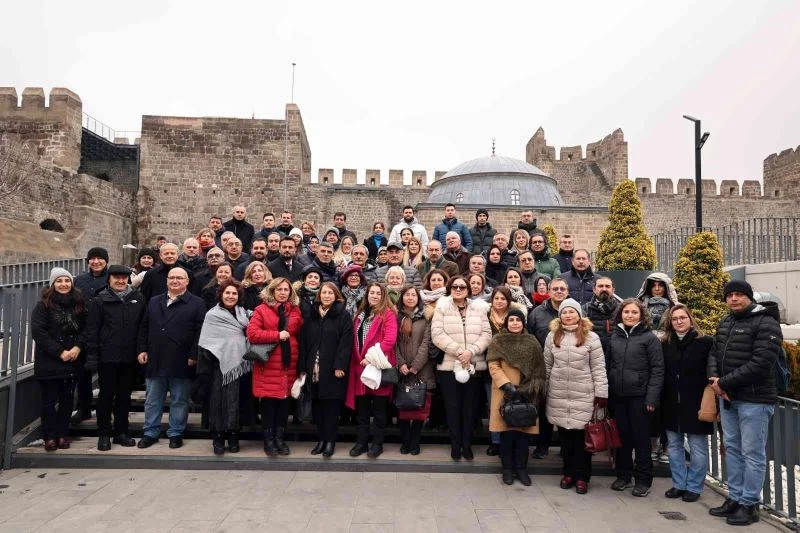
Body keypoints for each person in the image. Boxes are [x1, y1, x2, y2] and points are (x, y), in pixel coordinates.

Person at [707, 280, 782, 526]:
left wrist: (724, 384)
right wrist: (716, 380)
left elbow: (762, 363)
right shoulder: (726, 322)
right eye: (729, 295)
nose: (734, 299)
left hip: (755, 400)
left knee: (752, 453)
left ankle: (750, 504)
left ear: (749, 297)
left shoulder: (766, 322)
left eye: (739, 295)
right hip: (728, 398)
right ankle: (735, 498)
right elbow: (714, 355)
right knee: (734, 450)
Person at [137, 267, 206, 450]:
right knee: (153, 399)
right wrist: (142, 349)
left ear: (187, 281)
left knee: (179, 399)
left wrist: (194, 354)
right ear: (167, 280)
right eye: (172, 278)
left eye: (179, 278)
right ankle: (150, 432)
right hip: (156, 357)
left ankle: (176, 432)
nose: (175, 281)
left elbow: (200, 332)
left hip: (182, 359)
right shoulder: (154, 301)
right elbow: (144, 326)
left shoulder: (197, 303)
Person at [543, 299, 608, 494]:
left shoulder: (592, 338)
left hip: (583, 395)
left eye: (572, 312)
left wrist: (601, 394)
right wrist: (544, 390)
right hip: (559, 394)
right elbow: (547, 365)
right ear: (559, 315)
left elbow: (598, 368)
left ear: (579, 315)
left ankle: (582, 477)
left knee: (582, 441)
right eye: (564, 312)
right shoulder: (551, 336)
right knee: (565, 439)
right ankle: (568, 473)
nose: (568, 315)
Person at [84, 265, 147, 451]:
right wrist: (93, 356)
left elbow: (142, 327)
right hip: (107, 357)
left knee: (124, 397)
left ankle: (121, 432)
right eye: (116, 278)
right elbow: (92, 330)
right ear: (109, 280)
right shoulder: (99, 300)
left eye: (123, 278)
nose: (120, 281)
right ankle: (104, 433)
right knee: (105, 397)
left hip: (129, 358)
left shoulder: (138, 298)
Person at [607, 298, 664, 497]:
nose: (630, 315)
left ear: (642, 315)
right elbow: (608, 366)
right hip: (618, 397)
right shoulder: (614, 337)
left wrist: (651, 399)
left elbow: (658, 370)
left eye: (634, 312)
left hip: (640, 397)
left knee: (641, 441)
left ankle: (643, 480)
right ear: (620, 314)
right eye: (626, 312)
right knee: (622, 439)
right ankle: (624, 475)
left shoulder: (650, 338)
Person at [431, 276, 492, 461]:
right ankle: (455, 445)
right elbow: (437, 334)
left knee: (469, 408)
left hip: (473, 365)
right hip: (450, 366)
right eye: (455, 286)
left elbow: (487, 334)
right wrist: (459, 351)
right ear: (450, 288)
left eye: (462, 287)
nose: (458, 289)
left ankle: (467, 445)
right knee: (453, 407)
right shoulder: (442, 307)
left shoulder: (479, 308)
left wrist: (471, 352)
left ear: (468, 289)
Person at [659, 304, 714, 503]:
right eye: (675, 319)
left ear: (690, 319)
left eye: (682, 317)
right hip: (671, 402)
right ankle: (679, 484)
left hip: (696, 402)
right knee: (674, 446)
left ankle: (694, 486)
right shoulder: (665, 343)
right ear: (670, 322)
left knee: (698, 448)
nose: (679, 321)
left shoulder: (705, 342)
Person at [194, 279, 255, 455]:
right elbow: (205, 342)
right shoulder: (212, 315)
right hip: (218, 367)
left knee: (237, 403)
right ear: (221, 294)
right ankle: (218, 437)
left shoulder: (244, 314)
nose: (230, 296)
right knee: (218, 403)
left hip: (241, 365)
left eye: (234, 293)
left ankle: (234, 435)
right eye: (227, 293)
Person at [487, 308, 546, 486]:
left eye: (518, 320)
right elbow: (493, 365)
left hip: (527, 393)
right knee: (507, 435)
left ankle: (521, 469)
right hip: (505, 392)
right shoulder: (498, 340)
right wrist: (506, 385)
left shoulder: (532, 341)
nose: (514, 323)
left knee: (523, 436)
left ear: (523, 323)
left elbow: (538, 368)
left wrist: (529, 388)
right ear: (506, 323)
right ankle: (507, 469)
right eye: (511, 320)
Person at [31, 267, 87, 452]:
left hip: (73, 358)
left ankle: (62, 434)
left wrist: (78, 346)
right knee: (48, 402)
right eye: (59, 281)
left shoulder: (79, 304)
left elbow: (86, 328)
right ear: (53, 284)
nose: (64, 284)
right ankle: (49, 436)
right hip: (50, 360)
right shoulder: (43, 306)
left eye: (67, 281)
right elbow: (39, 332)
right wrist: (60, 352)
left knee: (67, 401)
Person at [247, 277, 304, 456]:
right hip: (268, 364)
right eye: (279, 289)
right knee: (269, 403)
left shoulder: (295, 310)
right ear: (272, 291)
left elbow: (297, 328)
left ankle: (280, 438)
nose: (282, 292)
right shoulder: (261, 310)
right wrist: (277, 335)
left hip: (289, 364)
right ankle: (268, 439)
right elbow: (253, 334)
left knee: (284, 404)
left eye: (286, 290)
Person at [299, 282, 353, 458]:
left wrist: (340, 366)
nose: (327, 296)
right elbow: (304, 343)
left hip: (332, 370)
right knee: (318, 408)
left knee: (331, 409)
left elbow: (346, 344)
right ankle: (321, 440)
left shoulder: (342, 316)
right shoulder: (311, 315)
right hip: (313, 369)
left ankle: (330, 441)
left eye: (330, 293)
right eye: (324, 293)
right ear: (319, 295)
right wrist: (303, 368)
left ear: (336, 295)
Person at [345, 282, 398, 459]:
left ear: (383, 296)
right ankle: (361, 442)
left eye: (378, 293)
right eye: (371, 293)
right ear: (367, 295)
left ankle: (377, 444)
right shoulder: (360, 314)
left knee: (380, 411)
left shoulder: (388, 314)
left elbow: (389, 341)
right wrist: (361, 359)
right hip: (360, 369)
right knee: (362, 411)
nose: (374, 296)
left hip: (378, 367)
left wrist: (370, 357)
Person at [526, 276, 569, 459]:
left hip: (568, 369)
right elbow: (529, 338)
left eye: (562, 289)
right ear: (549, 291)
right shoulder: (537, 313)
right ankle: (542, 446)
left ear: (567, 292)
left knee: (565, 409)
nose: (559, 292)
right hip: (543, 368)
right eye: (555, 289)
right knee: (543, 410)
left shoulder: (574, 311)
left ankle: (566, 448)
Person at [484, 286, 526, 456]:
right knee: (494, 406)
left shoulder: (514, 318)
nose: (499, 301)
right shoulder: (485, 316)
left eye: (503, 299)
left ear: (508, 301)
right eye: (496, 298)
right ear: (492, 300)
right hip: (490, 365)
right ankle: (495, 441)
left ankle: (510, 442)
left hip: (512, 370)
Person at [395, 285, 434, 455]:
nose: (410, 298)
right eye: (407, 295)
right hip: (401, 369)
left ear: (418, 299)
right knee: (402, 406)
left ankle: (415, 442)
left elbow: (426, 343)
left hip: (422, 369)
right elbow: (393, 343)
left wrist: (416, 366)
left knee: (419, 407)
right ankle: (405, 441)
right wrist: (401, 363)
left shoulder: (425, 318)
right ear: (402, 297)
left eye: (413, 295)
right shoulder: (396, 317)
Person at [73, 246, 110, 419]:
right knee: (83, 375)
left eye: (99, 258)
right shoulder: (79, 280)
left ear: (106, 261)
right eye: (92, 259)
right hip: (83, 332)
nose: (96, 262)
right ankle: (84, 408)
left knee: (106, 376)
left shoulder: (112, 279)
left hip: (105, 332)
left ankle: (105, 409)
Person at [582, 277, 620, 358]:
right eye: (600, 286)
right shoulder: (585, 309)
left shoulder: (621, 309)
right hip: (593, 355)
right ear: (594, 290)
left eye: (607, 286)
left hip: (616, 355)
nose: (604, 289)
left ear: (613, 290)